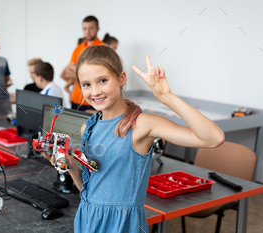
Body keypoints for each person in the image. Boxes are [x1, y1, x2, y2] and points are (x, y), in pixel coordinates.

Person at [44, 45, 225, 232]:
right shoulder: (88, 126)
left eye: (103, 80)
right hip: (87, 220)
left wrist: (167, 97)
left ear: (121, 78)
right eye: (87, 84)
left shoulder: (141, 124)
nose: (95, 91)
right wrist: (72, 167)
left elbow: (213, 138)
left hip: (121, 226)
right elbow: (89, 192)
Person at [60, 15, 105, 111]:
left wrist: (76, 71)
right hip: (76, 98)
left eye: (91, 28)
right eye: (84, 28)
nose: (87, 32)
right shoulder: (78, 48)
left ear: (98, 29)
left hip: (94, 98)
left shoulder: (103, 48)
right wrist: (86, 76)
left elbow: (99, 75)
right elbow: (67, 72)